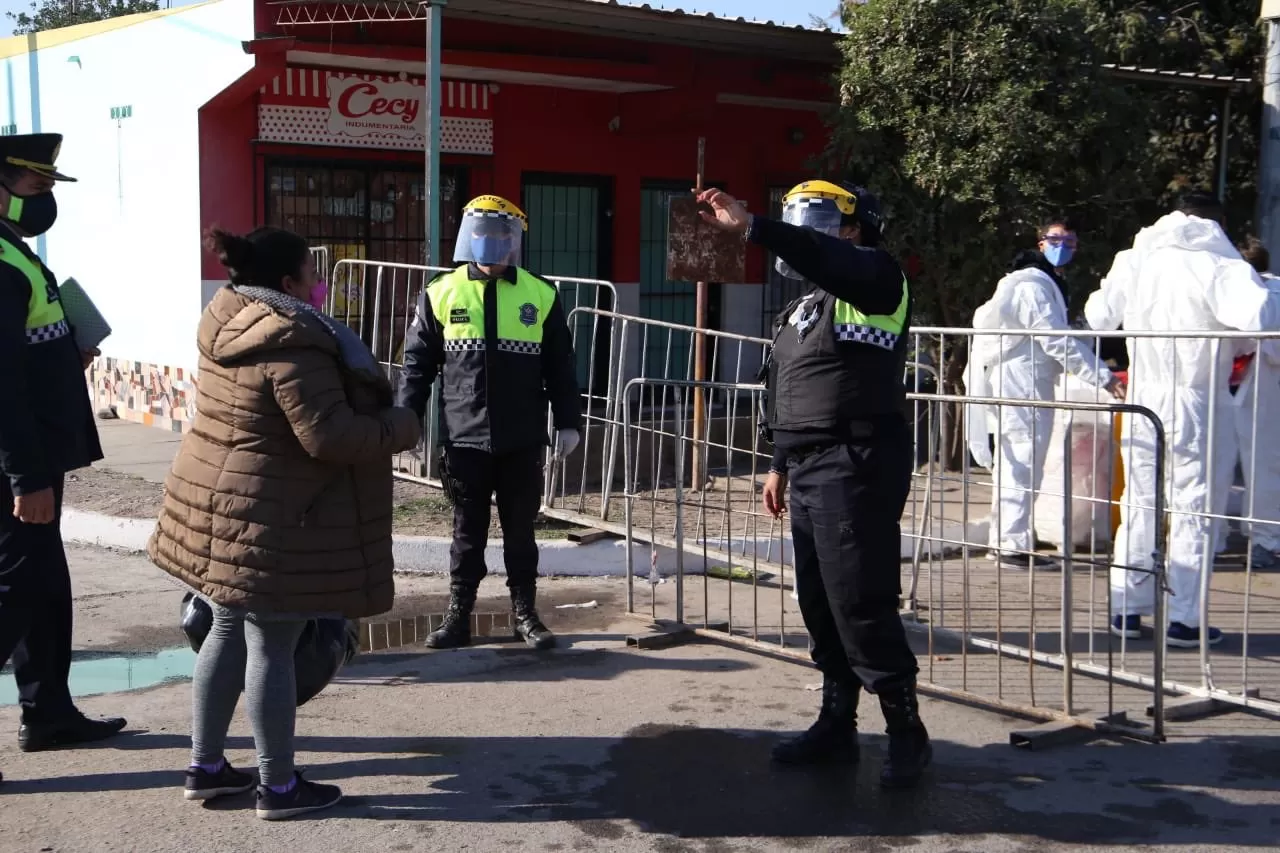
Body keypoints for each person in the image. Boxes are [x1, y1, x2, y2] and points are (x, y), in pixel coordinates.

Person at [147, 226, 421, 820]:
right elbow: (328, 435)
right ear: (289, 283)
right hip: (275, 517)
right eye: (312, 274)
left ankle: (207, 766)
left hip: (225, 507)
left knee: (224, 628)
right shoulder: (292, 341)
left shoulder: (229, 316)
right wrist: (402, 427)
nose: (320, 285)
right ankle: (278, 787)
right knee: (271, 640)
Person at [698, 180, 930, 789]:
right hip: (806, 466)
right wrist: (777, 461)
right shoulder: (802, 308)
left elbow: (828, 259)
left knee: (859, 596)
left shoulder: (877, 279)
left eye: (824, 221)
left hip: (858, 458)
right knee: (820, 602)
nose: (812, 234)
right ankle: (836, 722)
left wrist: (755, 226)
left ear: (854, 230)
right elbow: (785, 388)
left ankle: (906, 733)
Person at [1085, 191, 1280, 648]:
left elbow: (1097, 317)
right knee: (1194, 505)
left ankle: (1126, 608)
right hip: (1197, 397)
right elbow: (1258, 317)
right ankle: (1184, 619)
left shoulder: (1136, 259)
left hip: (1144, 394)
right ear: (1218, 223)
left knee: (1139, 500)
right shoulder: (1218, 263)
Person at [399, 194, 583, 651]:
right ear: (469, 237)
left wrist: (568, 421)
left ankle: (525, 614)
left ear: (514, 240)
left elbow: (560, 365)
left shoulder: (540, 294)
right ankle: (458, 616)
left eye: (503, 235)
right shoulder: (441, 292)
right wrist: (407, 419)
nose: (493, 243)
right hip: (464, 437)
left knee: (521, 531)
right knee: (467, 532)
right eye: (484, 234)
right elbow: (417, 365)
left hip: (521, 437)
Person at [0, 133, 126, 785]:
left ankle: (48, 712)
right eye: (35, 184)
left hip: (35, 456)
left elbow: (24, 350)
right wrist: (24, 476)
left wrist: (64, 351)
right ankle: (46, 709)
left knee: (44, 589)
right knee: (14, 592)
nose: (45, 196)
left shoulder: (13, 249)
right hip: (15, 464)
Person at [969, 220, 1123, 570]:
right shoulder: (1032, 286)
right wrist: (1101, 375)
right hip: (1022, 385)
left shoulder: (1045, 283)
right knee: (1021, 463)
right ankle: (1011, 545)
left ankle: (1009, 539)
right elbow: (1053, 339)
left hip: (1028, 382)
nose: (1063, 245)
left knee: (1020, 463)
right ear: (1040, 244)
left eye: (1070, 240)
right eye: (1055, 239)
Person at [1224, 237, 1280, 568]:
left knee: (1263, 465)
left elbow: (1252, 342)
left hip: (1265, 387)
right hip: (1251, 386)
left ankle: (1266, 540)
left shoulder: (1266, 297)